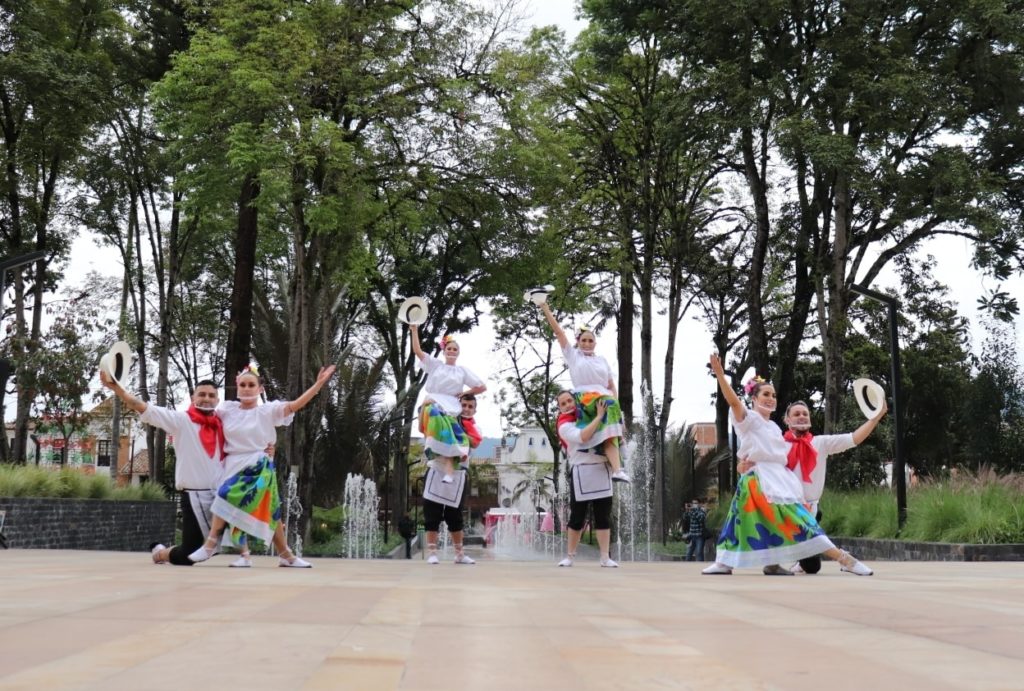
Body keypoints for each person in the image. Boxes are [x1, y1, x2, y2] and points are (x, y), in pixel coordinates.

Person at [702, 353, 873, 576]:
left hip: (777, 479)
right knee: (739, 521)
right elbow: (734, 402)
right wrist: (720, 376)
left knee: (787, 520)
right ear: (753, 398)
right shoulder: (749, 420)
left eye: (773, 395)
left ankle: (772, 563)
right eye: (765, 394)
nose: (771, 398)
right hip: (758, 479)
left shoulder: (774, 427)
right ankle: (844, 559)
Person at [188, 364, 336, 567]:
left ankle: (212, 544)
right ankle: (252, 556)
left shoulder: (268, 411)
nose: (246, 388)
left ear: (260, 389)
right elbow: (203, 416)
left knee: (246, 502)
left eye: (251, 385)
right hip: (232, 465)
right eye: (242, 385)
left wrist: (318, 385)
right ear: (237, 387)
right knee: (236, 506)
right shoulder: (227, 410)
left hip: (258, 465)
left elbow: (294, 405)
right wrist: (195, 401)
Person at [100, 372, 227, 566]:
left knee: (215, 547)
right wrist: (117, 389)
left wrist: (268, 447)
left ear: (217, 400)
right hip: (193, 495)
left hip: (219, 495)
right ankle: (160, 553)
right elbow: (142, 406)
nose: (206, 398)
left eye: (211, 395)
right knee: (188, 555)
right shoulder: (181, 420)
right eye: (202, 394)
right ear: (193, 398)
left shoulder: (224, 424)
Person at [751, 398, 888, 574]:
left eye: (805, 414)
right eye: (796, 414)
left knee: (812, 567)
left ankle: (802, 558)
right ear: (787, 420)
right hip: (785, 508)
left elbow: (854, 438)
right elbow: (757, 457)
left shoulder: (820, 443)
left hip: (811, 509)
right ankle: (846, 560)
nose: (802, 416)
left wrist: (875, 418)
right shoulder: (778, 445)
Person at [537, 301, 630, 482]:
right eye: (583, 340)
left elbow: (611, 386)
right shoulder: (573, 356)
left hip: (607, 400)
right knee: (609, 406)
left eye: (590, 340)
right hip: (587, 400)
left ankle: (617, 470)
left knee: (610, 434)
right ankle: (620, 443)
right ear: (578, 342)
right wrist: (546, 308)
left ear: (595, 342)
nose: (587, 343)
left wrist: (618, 410)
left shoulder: (602, 360)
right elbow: (559, 332)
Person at [410, 326, 486, 483]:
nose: (452, 351)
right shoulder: (435, 365)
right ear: (444, 351)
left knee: (452, 438)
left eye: (455, 349)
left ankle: (450, 471)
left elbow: (481, 387)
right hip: (433, 402)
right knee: (434, 418)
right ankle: (436, 456)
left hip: (452, 406)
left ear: (458, 353)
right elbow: (417, 351)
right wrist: (414, 330)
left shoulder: (462, 371)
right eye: (449, 348)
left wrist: (465, 393)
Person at [555, 391, 619, 568]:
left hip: (602, 469)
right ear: (559, 408)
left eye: (570, 400)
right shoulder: (564, 426)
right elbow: (583, 436)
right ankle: (570, 556)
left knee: (603, 517)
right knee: (577, 517)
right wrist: (599, 416)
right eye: (563, 403)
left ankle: (605, 557)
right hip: (581, 471)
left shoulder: (587, 415)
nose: (568, 405)